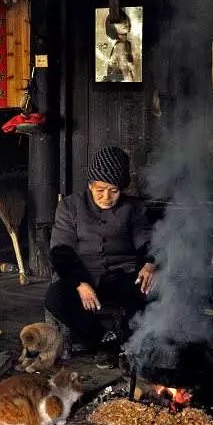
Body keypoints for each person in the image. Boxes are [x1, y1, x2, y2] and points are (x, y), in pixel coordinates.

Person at [44, 146, 155, 367]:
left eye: (114, 191)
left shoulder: (133, 208)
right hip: (83, 274)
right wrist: (80, 282)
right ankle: (103, 341)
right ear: (90, 185)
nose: (107, 197)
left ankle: (132, 344)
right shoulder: (69, 206)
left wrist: (150, 263)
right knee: (56, 298)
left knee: (147, 290)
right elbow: (60, 250)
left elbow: (146, 240)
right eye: (100, 190)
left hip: (122, 273)